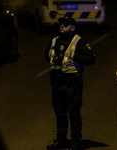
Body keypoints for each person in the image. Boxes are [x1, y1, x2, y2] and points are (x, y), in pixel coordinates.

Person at [45, 16, 96, 150]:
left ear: (72, 28)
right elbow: (46, 55)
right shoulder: (55, 40)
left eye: (66, 24)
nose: (62, 26)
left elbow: (91, 59)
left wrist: (76, 57)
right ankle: (61, 141)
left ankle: (75, 142)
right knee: (59, 113)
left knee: (73, 113)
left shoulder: (78, 41)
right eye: (62, 24)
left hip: (72, 83)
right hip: (57, 82)